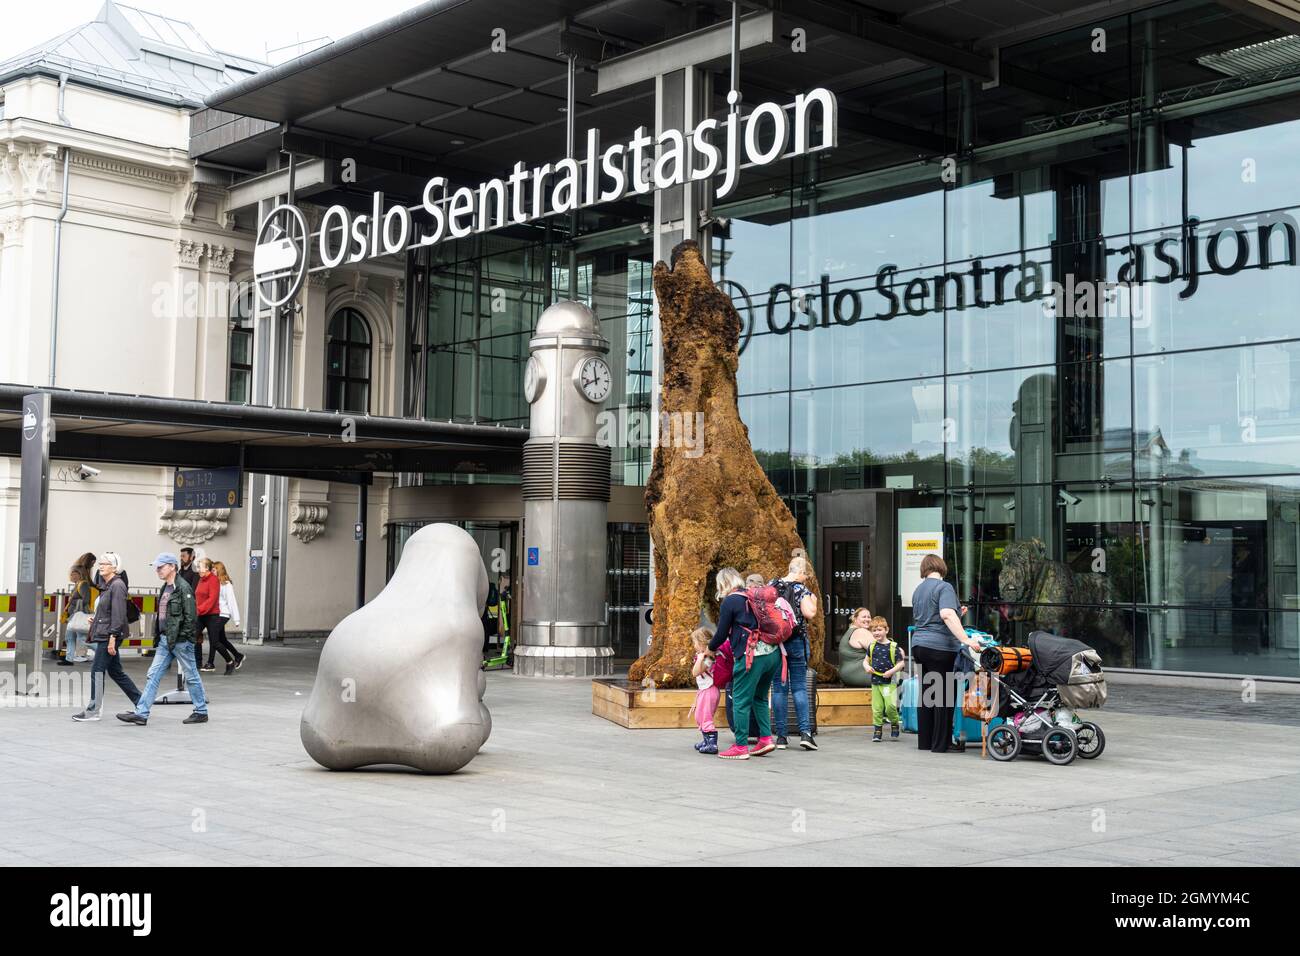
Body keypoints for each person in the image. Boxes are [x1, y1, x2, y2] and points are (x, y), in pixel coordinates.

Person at [118, 553, 207, 726]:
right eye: (157, 567)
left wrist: (185, 638)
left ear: (172, 566)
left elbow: (191, 617)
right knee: (153, 674)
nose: (158, 570)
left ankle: (201, 711)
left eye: (161, 566)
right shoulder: (165, 587)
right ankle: (142, 713)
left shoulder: (183, 587)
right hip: (166, 640)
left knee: (191, 674)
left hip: (180, 640)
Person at [910, 554, 982, 753]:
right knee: (943, 696)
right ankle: (942, 744)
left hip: (919, 646)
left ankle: (925, 742)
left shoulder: (918, 590)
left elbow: (933, 615)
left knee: (927, 694)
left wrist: (958, 613)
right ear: (941, 567)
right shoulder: (944, 587)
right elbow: (946, 614)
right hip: (940, 648)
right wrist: (966, 639)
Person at [708, 568, 779, 760]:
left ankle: (740, 746)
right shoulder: (752, 596)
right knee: (760, 697)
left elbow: (721, 633)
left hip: (751, 655)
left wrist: (710, 648)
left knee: (739, 699)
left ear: (723, 584)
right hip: (773, 653)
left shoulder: (731, 600)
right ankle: (765, 738)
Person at [71, 553, 141, 721]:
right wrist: (96, 619)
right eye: (100, 563)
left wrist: (112, 638)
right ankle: (141, 702)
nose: (101, 566)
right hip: (107, 632)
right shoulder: (108, 585)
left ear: (115, 568)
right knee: (116, 672)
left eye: (106, 564)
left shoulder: (117, 585)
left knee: (97, 670)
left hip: (109, 635)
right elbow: (108, 612)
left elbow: (118, 614)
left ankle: (93, 710)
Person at [769, 554, 820, 751]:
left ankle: (781, 737)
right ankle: (805, 733)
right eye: (805, 574)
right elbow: (810, 613)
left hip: (776, 642)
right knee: (799, 686)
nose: (806, 578)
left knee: (779, 687)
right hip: (796, 640)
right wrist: (813, 600)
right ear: (799, 571)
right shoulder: (801, 589)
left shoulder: (772, 584)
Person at [865, 616, 905, 742]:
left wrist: (891, 672)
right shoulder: (872, 646)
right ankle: (877, 730)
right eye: (874, 630)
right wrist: (867, 667)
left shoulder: (893, 646)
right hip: (876, 682)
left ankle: (894, 723)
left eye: (879, 630)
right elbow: (865, 661)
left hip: (889, 682)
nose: (877, 633)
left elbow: (901, 663)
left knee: (890, 706)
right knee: (877, 708)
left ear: (886, 630)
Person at [688, 627, 720, 754]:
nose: (694, 646)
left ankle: (712, 743)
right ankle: (706, 740)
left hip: (710, 691)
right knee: (699, 715)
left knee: (706, 716)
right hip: (704, 690)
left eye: (695, 642)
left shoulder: (709, 657)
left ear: (702, 643)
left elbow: (695, 672)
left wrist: (700, 658)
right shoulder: (704, 656)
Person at [209, 560, 245, 673]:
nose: (212, 571)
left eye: (214, 570)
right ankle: (237, 655)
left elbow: (231, 602)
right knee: (222, 639)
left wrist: (236, 619)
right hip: (216, 614)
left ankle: (211, 662)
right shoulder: (215, 583)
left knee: (213, 638)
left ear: (219, 570)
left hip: (223, 614)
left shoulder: (226, 584)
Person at [59, 566, 94, 665]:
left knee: (82, 639)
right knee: (69, 637)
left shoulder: (83, 584)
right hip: (74, 615)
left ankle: (101, 652)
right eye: (71, 574)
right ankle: (69, 658)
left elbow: (85, 600)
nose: (73, 576)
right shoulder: (77, 584)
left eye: (75, 574)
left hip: (79, 615)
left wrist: (72, 600)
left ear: (80, 574)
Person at [837, 607, 874, 688]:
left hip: (847, 675)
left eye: (869, 617)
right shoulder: (861, 631)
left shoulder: (850, 631)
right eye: (864, 617)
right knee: (900, 678)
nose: (867, 619)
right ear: (855, 619)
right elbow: (880, 651)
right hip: (858, 674)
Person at [179, 547, 204, 664]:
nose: (181, 558)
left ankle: (197, 660)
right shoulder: (180, 571)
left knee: (194, 634)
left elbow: (193, 591)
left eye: (184, 556)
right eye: (181, 556)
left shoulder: (194, 573)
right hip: (181, 607)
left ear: (191, 557)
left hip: (191, 608)